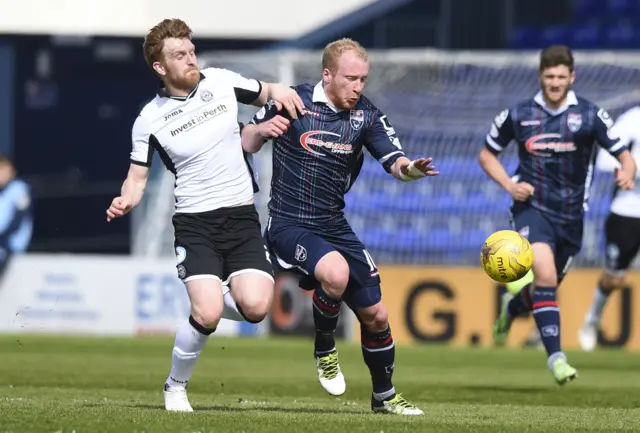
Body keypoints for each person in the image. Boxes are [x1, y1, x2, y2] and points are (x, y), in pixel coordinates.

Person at [105, 18, 304, 412]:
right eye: (180, 55)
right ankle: (175, 386)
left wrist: (290, 98)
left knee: (256, 308)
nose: (190, 59)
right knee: (209, 312)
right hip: (195, 224)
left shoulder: (221, 81)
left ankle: (206, 300)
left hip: (241, 217)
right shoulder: (149, 120)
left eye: (191, 51)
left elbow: (269, 92)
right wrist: (126, 200)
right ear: (160, 67)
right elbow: (136, 179)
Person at [241, 38, 438, 415]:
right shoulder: (290, 100)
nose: (358, 87)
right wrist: (262, 131)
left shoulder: (366, 115)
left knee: (377, 315)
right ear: (327, 75)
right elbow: (245, 141)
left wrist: (412, 170)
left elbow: (395, 161)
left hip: (333, 225)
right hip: (288, 223)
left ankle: (384, 396)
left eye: (363, 79)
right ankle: (325, 345)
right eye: (351, 78)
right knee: (335, 271)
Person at [479, 45, 636, 385]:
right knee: (546, 275)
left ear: (571, 77)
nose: (554, 83)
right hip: (531, 208)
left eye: (561, 77)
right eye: (549, 76)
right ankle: (557, 359)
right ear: (540, 76)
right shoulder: (518, 114)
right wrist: (509, 184)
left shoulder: (591, 115)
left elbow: (624, 154)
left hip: (571, 217)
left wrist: (627, 171)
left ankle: (512, 308)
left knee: (542, 289)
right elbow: (486, 155)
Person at [578, 105, 640, 351]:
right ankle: (592, 320)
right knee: (615, 277)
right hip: (628, 210)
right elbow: (606, 158)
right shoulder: (632, 119)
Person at [0, 154, 33, 280]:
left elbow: (17, 221)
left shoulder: (20, 189)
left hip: (11, 244)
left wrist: (2, 239)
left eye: (5, 171)